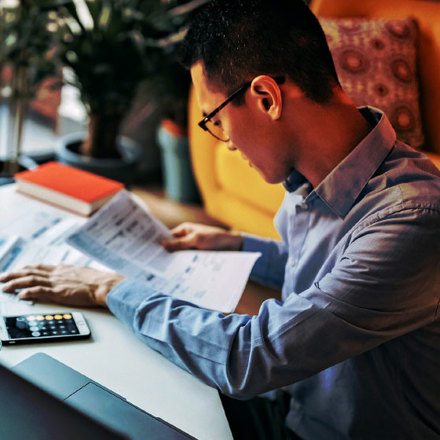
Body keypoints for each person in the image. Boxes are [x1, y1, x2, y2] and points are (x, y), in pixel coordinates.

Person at [1, 0, 440, 438]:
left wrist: (109, 289)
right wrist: (237, 245)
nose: (225, 142)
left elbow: (252, 359)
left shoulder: (412, 221)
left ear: (266, 97)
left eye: (215, 119)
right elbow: (320, 264)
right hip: (291, 405)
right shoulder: (317, 174)